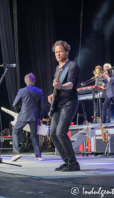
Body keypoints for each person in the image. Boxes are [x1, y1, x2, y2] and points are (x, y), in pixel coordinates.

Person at [48, 40, 80, 172]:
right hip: (58, 103)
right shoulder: (58, 69)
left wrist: (61, 86)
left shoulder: (72, 65)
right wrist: (53, 94)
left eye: (60, 51)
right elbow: (59, 86)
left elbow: (71, 84)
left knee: (61, 132)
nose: (58, 54)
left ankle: (74, 164)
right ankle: (67, 161)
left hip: (69, 102)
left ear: (66, 51)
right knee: (53, 134)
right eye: (56, 52)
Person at [11, 73, 46, 162]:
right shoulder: (39, 91)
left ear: (25, 81)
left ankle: (16, 153)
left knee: (15, 132)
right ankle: (38, 156)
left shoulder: (22, 91)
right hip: (34, 117)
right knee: (34, 135)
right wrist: (40, 118)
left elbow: (15, 104)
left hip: (23, 116)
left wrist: (20, 112)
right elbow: (43, 106)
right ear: (34, 81)